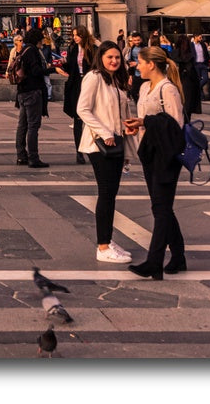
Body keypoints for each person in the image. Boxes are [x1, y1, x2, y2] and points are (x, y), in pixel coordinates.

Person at [125, 44, 188, 279]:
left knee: (160, 209)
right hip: (149, 152)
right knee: (161, 207)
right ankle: (179, 255)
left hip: (167, 155)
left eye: (140, 62)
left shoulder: (168, 89)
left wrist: (144, 123)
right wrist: (138, 126)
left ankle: (154, 262)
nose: (137, 65)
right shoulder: (144, 88)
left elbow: (176, 126)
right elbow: (149, 120)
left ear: (151, 64)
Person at [76, 41, 137, 263]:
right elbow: (82, 109)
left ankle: (107, 240)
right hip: (100, 144)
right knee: (106, 193)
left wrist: (126, 125)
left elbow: (119, 109)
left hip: (117, 140)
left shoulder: (115, 79)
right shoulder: (94, 77)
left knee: (111, 194)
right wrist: (105, 132)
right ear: (101, 57)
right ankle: (102, 246)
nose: (114, 61)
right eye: (110, 57)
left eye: (117, 58)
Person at [10, 26, 52, 168]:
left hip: (22, 92)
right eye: (41, 39)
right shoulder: (33, 51)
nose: (42, 42)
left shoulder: (23, 50)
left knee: (23, 125)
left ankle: (21, 155)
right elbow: (36, 71)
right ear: (37, 40)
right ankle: (33, 157)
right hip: (32, 91)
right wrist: (51, 69)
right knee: (33, 125)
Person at [57, 25, 97, 164]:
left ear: (83, 35)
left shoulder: (92, 49)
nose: (74, 37)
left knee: (92, 118)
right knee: (77, 119)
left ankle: (93, 149)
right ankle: (79, 151)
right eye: (73, 35)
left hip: (89, 83)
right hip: (76, 84)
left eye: (77, 35)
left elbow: (95, 66)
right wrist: (63, 64)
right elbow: (71, 67)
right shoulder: (73, 49)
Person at [172, 34, 202, 121]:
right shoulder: (189, 55)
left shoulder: (173, 54)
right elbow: (191, 71)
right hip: (187, 83)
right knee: (186, 108)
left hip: (174, 81)